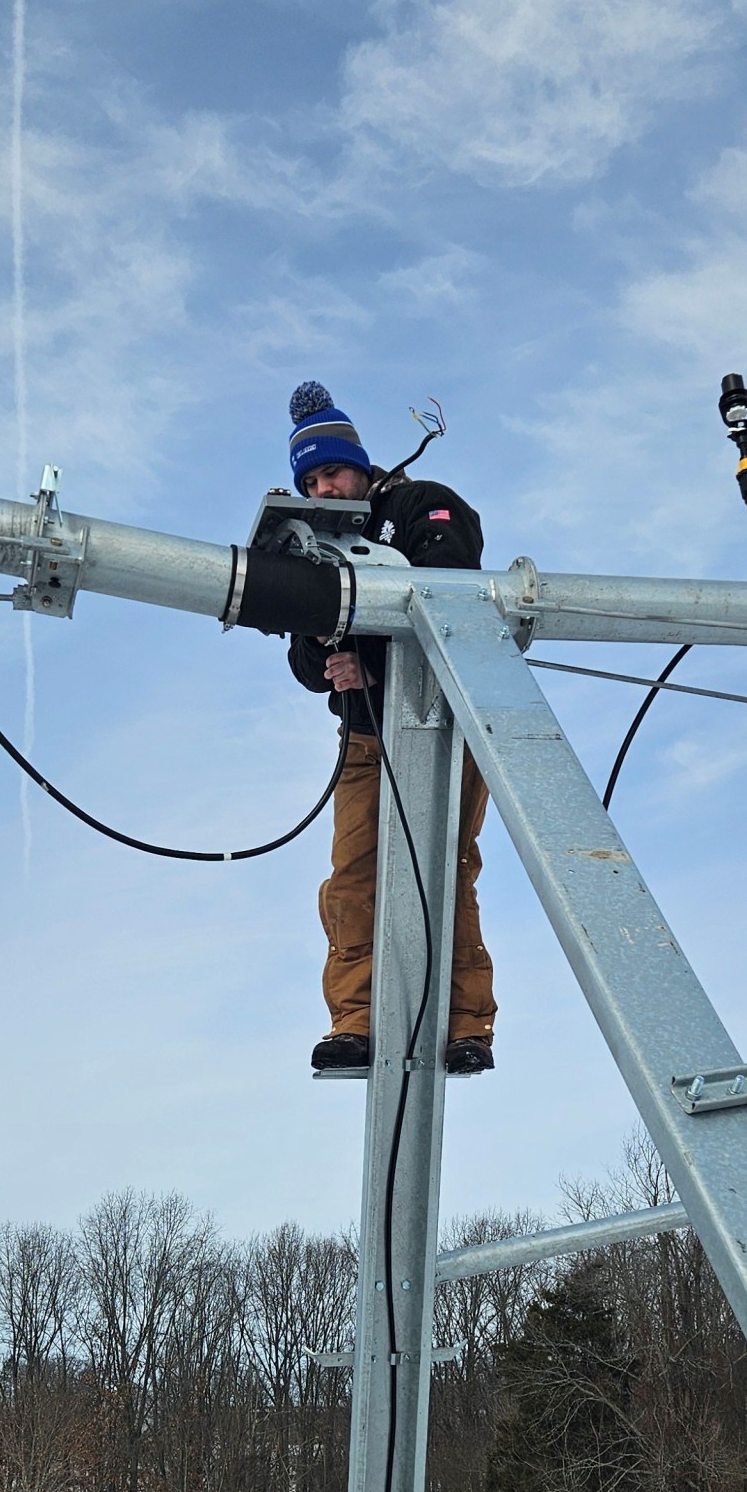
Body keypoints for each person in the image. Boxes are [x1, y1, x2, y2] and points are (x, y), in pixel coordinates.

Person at [282, 381, 497, 1079]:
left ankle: (465, 1025)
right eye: (309, 479)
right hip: (367, 737)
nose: (322, 487)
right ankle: (356, 1020)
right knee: (352, 881)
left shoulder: (415, 506)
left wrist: (370, 650)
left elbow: (447, 585)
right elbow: (302, 656)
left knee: (446, 869)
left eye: (331, 471)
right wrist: (331, 659)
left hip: (440, 723)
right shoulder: (310, 543)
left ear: (361, 465)